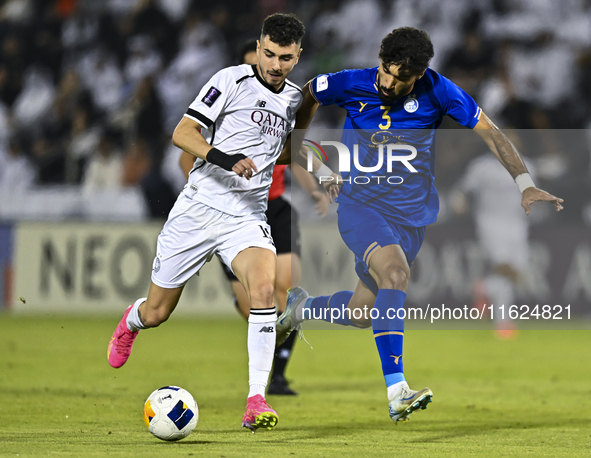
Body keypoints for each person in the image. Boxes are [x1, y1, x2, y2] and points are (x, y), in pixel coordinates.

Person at [276, 27, 563, 424]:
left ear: (419, 75)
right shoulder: (351, 83)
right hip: (360, 204)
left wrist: (525, 183)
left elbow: (491, 134)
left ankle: (301, 308)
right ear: (380, 60)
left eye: (402, 79)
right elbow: (309, 90)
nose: (390, 84)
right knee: (396, 274)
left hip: (411, 218)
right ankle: (397, 391)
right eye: (387, 72)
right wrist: (298, 139)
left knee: (363, 312)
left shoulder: (440, 91)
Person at [107, 13, 306, 432]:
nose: (274, 64)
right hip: (198, 207)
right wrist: (226, 157)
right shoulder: (230, 79)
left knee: (266, 290)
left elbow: (282, 153)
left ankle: (256, 400)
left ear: (297, 55)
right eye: (268, 53)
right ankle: (131, 321)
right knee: (159, 311)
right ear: (259, 44)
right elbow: (182, 133)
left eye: (284, 58)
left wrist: (318, 157)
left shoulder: (292, 98)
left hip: (247, 216)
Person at [178, 39, 329, 396]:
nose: (271, 68)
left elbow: (294, 152)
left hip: (273, 206)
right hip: (228, 211)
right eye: (263, 60)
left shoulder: (284, 102)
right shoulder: (226, 103)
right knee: (254, 309)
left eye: (280, 61)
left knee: (287, 289)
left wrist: (315, 188)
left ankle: (277, 376)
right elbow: (187, 154)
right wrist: (201, 191)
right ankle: (266, 353)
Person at [454, 134, 536, 339]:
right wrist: (460, 203)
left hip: (518, 224)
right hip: (490, 223)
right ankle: (503, 323)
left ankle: (484, 287)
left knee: (518, 271)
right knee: (504, 267)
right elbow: (463, 190)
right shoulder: (481, 167)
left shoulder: (528, 166)